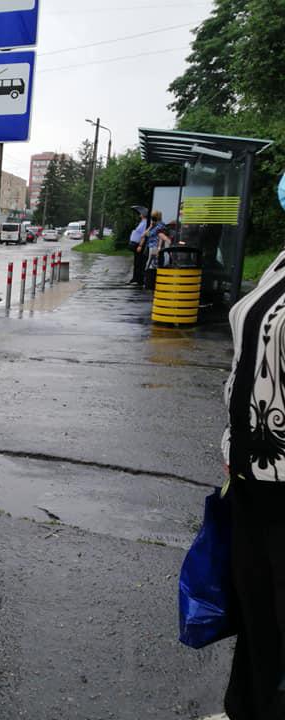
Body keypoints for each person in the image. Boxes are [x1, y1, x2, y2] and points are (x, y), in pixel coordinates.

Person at [222, 249, 285, 718]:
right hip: (250, 475)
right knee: (257, 616)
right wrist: (231, 442)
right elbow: (248, 356)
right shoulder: (282, 261)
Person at [136, 210, 168, 289]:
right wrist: (150, 226)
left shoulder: (160, 225)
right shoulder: (154, 225)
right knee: (150, 264)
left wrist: (150, 227)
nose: (152, 218)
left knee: (152, 265)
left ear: (157, 217)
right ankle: (149, 282)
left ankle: (151, 283)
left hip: (155, 247)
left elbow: (148, 234)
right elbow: (143, 235)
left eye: (153, 216)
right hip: (151, 246)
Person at [128, 206, 148, 284]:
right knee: (136, 261)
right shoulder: (142, 222)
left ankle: (139, 278)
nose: (139, 214)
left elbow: (143, 235)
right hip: (136, 244)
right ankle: (135, 277)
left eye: (140, 213)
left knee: (139, 261)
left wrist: (140, 245)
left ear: (143, 214)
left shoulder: (145, 223)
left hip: (139, 244)